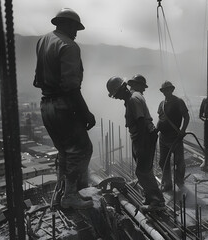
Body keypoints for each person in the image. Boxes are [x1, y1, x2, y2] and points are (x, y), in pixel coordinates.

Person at [34, 8, 95, 210]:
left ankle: (61, 194)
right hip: (63, 106)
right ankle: (70, 196)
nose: (76, 32)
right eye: (75, 28)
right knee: (82, 149)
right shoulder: (69, 46)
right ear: (66, 24)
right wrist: (86, 113)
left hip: (46, 105)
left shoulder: (43, 40)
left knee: (64, 152)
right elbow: (71, 86)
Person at [106, 75, 165, 209]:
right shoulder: (130, 99)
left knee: (142, 171)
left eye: (116, 95)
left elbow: (140, 122)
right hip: (140, 137)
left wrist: (142, 145)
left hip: (144, 137)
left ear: (122, 89)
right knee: (143, 169)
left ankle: (158, 201)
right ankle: (151, 197)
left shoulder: (133, 99)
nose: (116, 98)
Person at [156, 81, 190, 192]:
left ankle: (179, 182)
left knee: (179, 162)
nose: (166, 92)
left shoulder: (178, 102)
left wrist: (183, 130)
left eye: (168, 89)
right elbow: (161, 118)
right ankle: (168, 183)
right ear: (162, 91)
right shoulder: (161, 104)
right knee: (163, 161)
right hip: (163, 137)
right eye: (164, 90)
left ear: (172, 90)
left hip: (175, 137)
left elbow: (186, 116)